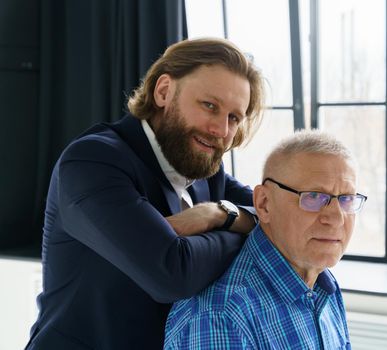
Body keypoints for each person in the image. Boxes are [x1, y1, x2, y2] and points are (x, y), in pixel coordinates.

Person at [26, 38, 265, 350]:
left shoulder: (206, 167)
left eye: (234, 118)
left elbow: (274, 211)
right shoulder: (91, 161)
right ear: (164, 91)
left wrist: (220, 214)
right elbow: (171, 273)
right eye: (210, 106)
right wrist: (240, 224)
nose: (221, 130)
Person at [164, 130, 367, 349]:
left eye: (347, 199)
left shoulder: (324, 284)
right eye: (314, 197)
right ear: (264, 204)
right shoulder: (221, 318)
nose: (337, 218)